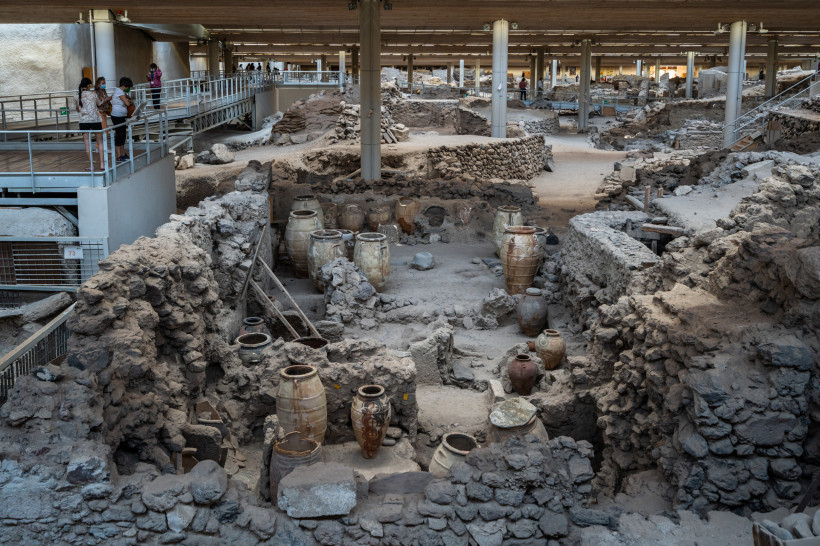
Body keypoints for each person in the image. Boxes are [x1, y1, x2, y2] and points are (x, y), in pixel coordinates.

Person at [74, 77, 106, 170]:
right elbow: (99, 104)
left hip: (84, 121)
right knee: (100, 142)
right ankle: (102, 165)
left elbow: (77, 109)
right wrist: (105, 99)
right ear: (88, 85)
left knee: (87, 144)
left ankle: (91, 165)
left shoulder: (77, 95)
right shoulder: (93, 94)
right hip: (95, 120)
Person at [110, 77, 134, 162]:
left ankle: (123, 153)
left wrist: (128, 97)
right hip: (117, 116)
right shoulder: (119, 92)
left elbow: (125, 96)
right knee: (119, 135)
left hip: (121, 116)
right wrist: (130, 101)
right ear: (124, 86)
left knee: (123, 135)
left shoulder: (121, 92)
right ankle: (119, 155)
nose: (128, 89)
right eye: (128, 87)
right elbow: (127, 103)